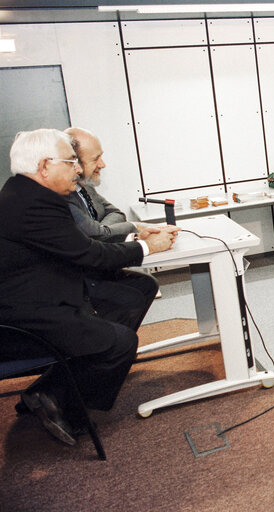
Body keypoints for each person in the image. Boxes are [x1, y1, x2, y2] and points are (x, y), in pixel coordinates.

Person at [0, 129, 178, 446]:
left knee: (134, 290)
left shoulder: (26, 194)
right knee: (121, 342)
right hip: (23, 317)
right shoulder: (34, 205)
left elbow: (86, 245)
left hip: (41, 293)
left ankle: (51, 392)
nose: (79, 169)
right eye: (71, 162)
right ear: (44, 167)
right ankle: (64, 406)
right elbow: (90, 253)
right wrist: (148, 249)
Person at [65, 127, 163, 333]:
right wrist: (129, 229)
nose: (103, 164)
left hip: (97, 262)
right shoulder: (65, 194)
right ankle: (109, 346)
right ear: (75, 163)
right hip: (79, 277)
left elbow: (116, 213)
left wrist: (102, 228)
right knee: (134, 293)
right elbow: (95, 235)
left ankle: (116, 343)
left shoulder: (85, 186)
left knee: (147, 284)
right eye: (96, 158)